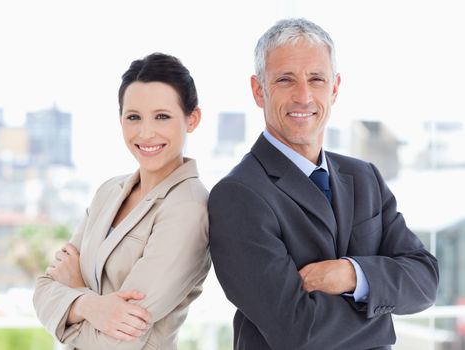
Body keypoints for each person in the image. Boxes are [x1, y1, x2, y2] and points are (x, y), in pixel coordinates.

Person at [208, 18, 439, 350]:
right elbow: (298, 332)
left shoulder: (364, 177)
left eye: (316, 79)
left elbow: (425, 281)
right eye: (286, 79)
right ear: (259, 91)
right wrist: (383, 320)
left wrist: (352, 274)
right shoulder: (238, 195)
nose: (303, 96)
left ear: (334, 88)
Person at [33, 53, 211, 350]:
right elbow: (42, 290)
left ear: (192, 119)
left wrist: (73, 295)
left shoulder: (188, 208)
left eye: (162, 116)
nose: (146, 132)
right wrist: (92, 306)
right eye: (133, 117)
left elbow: (120, 341)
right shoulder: (108, 192)